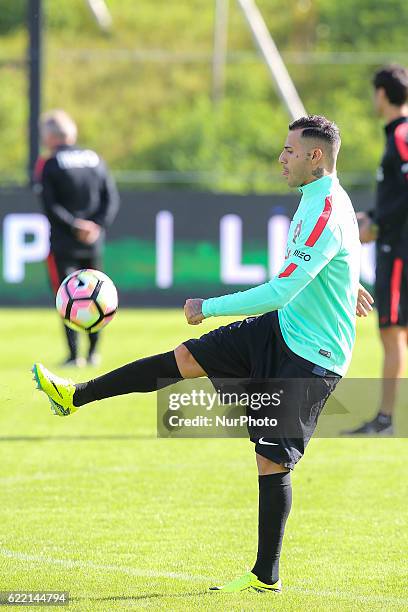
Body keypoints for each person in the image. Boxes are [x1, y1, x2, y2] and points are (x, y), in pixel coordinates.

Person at [32, 115, 373, 594]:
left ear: (316, 157)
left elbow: (281, 289)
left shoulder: (325, 210)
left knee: (272, 461)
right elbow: (337, 250)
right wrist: (351, 281)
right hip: (285, 327)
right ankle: (74, 395)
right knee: (184, 360)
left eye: (290, 151)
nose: (282, 157)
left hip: (314, 354)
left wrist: (207, 307)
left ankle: (265, 577)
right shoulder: (320, 197)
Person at [347, 65, 408, 435]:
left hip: (398, 249)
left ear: (382, 94)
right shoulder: (398, 135)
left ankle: (385, 419)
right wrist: (371, 216)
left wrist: (379, 224)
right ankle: (385, 416)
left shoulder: (401, 134)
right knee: (395, 332)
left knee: (392, 331)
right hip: (393, 243)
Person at [35, 110, 120, 367]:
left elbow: (49, 205)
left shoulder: (51, 163)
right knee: (98, 295)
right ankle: (94, 353)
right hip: (93, 241)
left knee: (67, 296)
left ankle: (74, 356)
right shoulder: (94, 159)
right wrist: (96, 225)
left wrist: (74, 225)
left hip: (64, 243)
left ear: (50, 137)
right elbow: (111, 197)